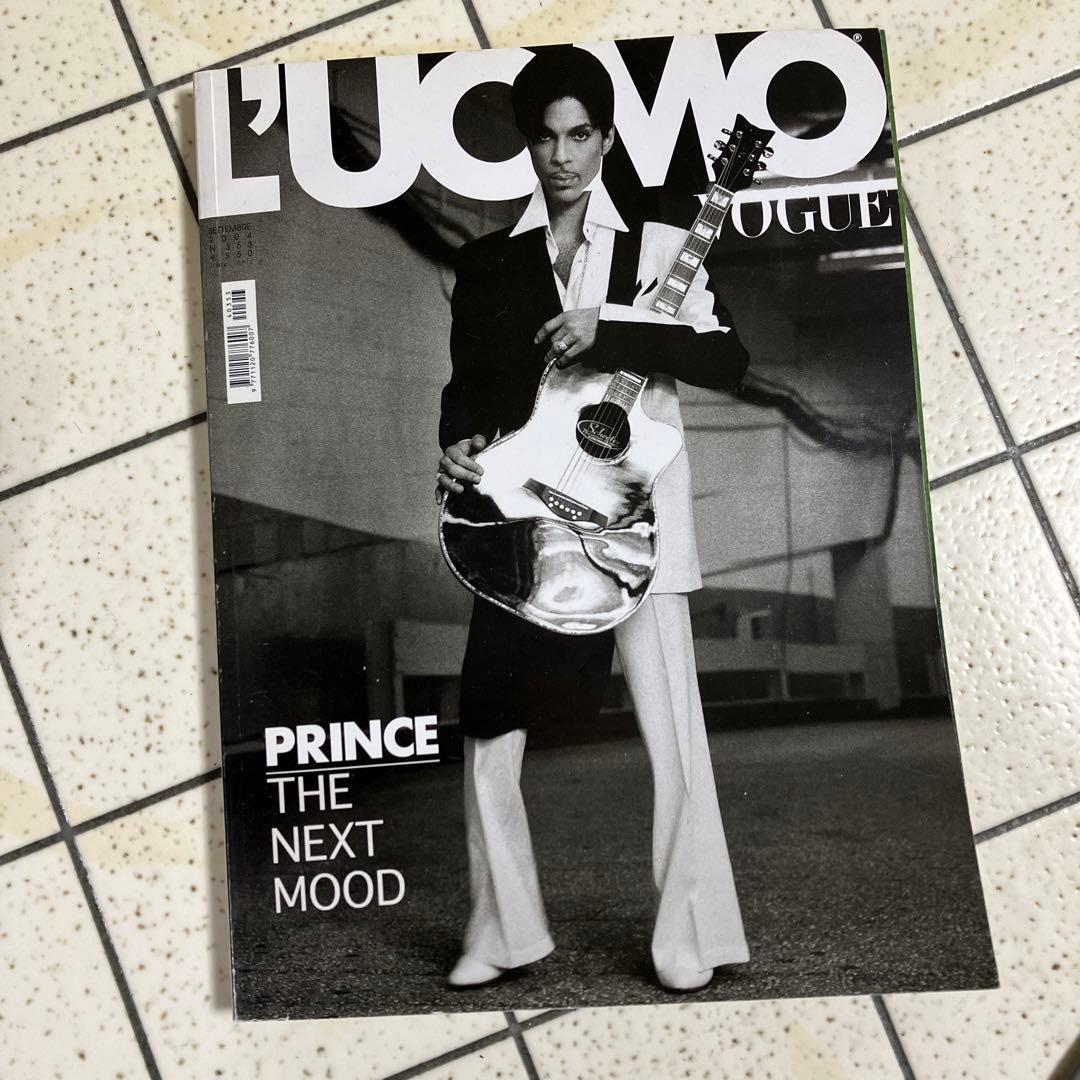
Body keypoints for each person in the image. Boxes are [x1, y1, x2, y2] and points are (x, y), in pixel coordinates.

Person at [436, 46, 751, 992]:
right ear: (526, 145)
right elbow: (469, 387)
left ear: (607, 139)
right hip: (525, 509)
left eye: (580, 136)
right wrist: (457, 444)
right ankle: (500, 930)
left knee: (674, 733)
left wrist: (608, 329)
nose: (562, 156)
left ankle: (691, 935)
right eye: (545, 138)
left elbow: (728, 359)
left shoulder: (657, 244)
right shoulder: (488, 262)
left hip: (638, 513)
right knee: (489, 722)